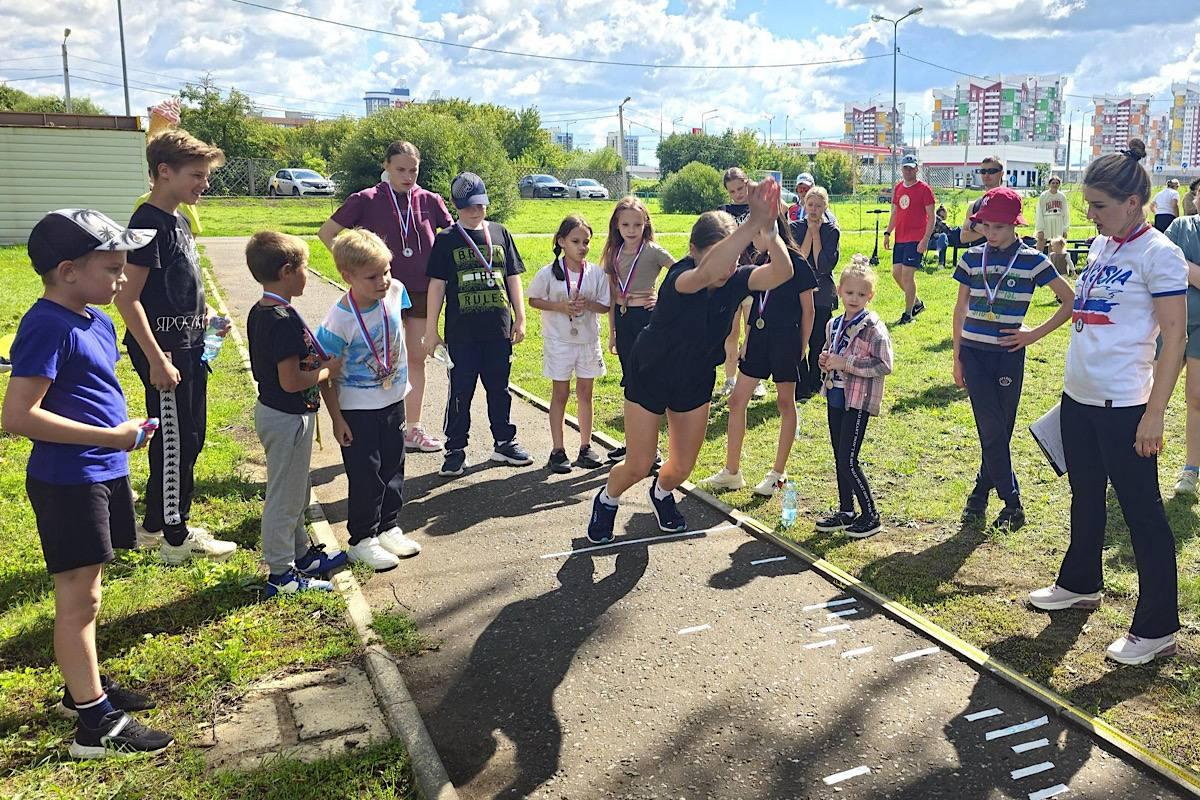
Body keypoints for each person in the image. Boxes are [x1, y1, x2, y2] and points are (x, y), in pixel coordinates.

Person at [4, 209, 173, 757]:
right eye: (113, 268)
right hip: (70, 480)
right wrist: (109, 438)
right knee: (79, 600)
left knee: (90, 597)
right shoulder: (47, 324)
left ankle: (82, 690)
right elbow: (18, 416)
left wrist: (122, 436)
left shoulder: (92, 317)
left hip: (101, 471)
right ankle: (94, 724)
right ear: (68, 270)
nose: (123, 279)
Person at [1028, 139, 1188, 666]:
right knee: (1085, 494)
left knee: (1143, 513)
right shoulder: (1100, 247)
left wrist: (1155, 412)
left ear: (1133, 202)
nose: (1089, 215)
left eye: (1099, 206)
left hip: (1126, 405)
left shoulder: (1159, 254)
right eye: (1089, 204)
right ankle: (1080, 582)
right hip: (1079, 396)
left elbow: (1174, 335)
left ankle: (1158, 625)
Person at [587, 179, 792, 544]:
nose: (728, 267)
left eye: (733, 258)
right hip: (651, 372)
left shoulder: (737, 278)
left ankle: (662, 493)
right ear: (694, 250)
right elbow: (707, 273)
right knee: (639, 463)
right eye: (719, 255)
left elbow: (782, 273)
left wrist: (769, 229)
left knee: (681, 468)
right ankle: (607, 499)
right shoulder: (682, 276)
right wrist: (748, 224)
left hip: (694, 378)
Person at [114, 129, 238, 564]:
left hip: (189, 346)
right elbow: (127, 298)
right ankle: (174, 536)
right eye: (196, 176)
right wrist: (155, 359)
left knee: (193, 436)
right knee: (175, 441)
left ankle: (154, 525)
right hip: (164, 354)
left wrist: (205, 322)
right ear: (163, 172)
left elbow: (178, 286)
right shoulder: (147, 224)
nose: (204, 184)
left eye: (206, 176)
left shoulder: (180, 220)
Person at [318, 141, 455, 454]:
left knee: (416, 358)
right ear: (387, 166)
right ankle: (375, 420)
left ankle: (413, 428)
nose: (407, 176)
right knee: (382, 356)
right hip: (380, 292)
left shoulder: (429, 200)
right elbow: (327, 233)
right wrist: (352, 267)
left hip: (420, 291)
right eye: (400, 170)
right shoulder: (367, 198)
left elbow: (451, 238)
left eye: (413, 170)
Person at [951, 187, 1076, 531]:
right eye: (986, 227)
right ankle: (1012, 504)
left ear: (1015, 226)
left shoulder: (1034, 260)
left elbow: (1070, 301)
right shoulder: (972, 257)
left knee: (999, 432)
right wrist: (957, 356)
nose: (991, 234)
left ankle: (980, 492)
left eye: (999, 228)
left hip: (1008, 356)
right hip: (974, 355)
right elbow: (960, 308)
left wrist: (1032, 334)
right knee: (990, 429)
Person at [245, 232, 348, 594]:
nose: (309, 274)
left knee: (297, 490)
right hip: (287, 415)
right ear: (287, 271)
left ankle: (303, 554)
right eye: (305, 267)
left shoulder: (267, 310)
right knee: (284, 498)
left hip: (287, 415)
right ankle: (281, 573)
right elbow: (290, 381)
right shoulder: (281, 319)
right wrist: (328, 371)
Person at [315, 229, 421, 571]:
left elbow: (396, 331)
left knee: (394, 466)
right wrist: (337, 419)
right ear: (347, 276)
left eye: (386, 271)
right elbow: (325, 375)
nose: (383, 281)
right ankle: (362, 538)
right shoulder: (338, 320)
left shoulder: (396, 292)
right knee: (366, 475)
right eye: (372, 276)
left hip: (393, 399)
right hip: (357, 409)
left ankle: (388, 526)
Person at [700, 205, 817, 496]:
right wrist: (748, 341)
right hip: (759, 339)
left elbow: (809, 311)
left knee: (784, 404)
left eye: (756, 234)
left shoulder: (797, 263)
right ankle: (732, 471)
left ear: (770, 231)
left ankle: (778, 473)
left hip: (786, 340)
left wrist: (801, 347)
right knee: (737, 401)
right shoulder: (761, 262)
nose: (752, 241)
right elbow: (755, 308)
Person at [425, 172, 533, 477]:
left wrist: (520, 318)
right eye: (469, 206)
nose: (476, 211)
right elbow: (437, 286)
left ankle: (504, 441)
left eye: (481, 204)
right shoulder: (446, 239)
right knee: (461, 391)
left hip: (498, 331)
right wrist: (431, 329)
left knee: (499, 388)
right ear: (457, 206)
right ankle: (455, 448)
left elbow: (513, 278)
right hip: (462, 334)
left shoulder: (500, 233)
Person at [813, 256, 893, 539]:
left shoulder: (873, 327)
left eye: (861, 294)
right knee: (838, 456)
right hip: (835, 395)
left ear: (870, 296)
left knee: (848, 458)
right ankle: (846, 511)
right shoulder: (833, 324)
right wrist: (825, 360)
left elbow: (885, 364)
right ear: (839, 291)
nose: (854, 298)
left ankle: (870, 514)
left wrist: (845, 364)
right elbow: (830, 352)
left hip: (858, 401)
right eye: (849, 293)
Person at [527, 216, 611, 473]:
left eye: (586, 241)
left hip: (587, 341)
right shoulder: (549, 273)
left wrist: (587, 304)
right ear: (562, 241)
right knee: (560, 394)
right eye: (575, 241)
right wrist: (560, 307)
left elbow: (605, 306)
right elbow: (533, 299)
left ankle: (586, 447)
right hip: (559, 342)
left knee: (586, 393)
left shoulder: (596, 273)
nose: (582, 246)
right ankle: (558, 449)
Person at [601, 196, 675, 462]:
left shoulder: (652, 250)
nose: (631, 230)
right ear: (617, 226)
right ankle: (633, 443)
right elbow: (611, 295)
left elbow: (679, 271)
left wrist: (662, 299)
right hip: (623, 320)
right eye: (625, 225)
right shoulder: (614, 253)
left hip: (646, 319)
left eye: (636, 224)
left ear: (645, 224)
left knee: (648, 383)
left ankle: (651, 450)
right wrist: (612, 332)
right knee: (631, 383)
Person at [715, 167, 766, 401]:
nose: (738, 194)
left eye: (741, 187)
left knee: (753, 328)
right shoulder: (723, 212)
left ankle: (755, 381)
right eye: (732, 190)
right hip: (731, 277)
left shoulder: (758, 205)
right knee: (730, 331)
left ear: (748, 183)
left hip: (755, 275)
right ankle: (729, 378)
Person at [792, 186, 841, 400]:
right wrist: (809, 235)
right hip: (799, 291)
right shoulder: (794, 228)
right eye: (810, 205)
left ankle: (815, 380)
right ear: (804, 204)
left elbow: (823, 266)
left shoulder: (831, 231)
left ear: (825, 207)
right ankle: (800, 383)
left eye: (819, 206)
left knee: (818, 339)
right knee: (798, 336)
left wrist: (816, 235)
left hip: (822, 291)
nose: (813, 209)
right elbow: (799, 261)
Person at [1164, 212, 1200, 495]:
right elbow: (1161, 264)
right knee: (1151, 391)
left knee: (1197, 397)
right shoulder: (1180, 225)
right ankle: (1137, 456)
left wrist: (1182, 263)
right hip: (1168, 321)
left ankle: (1191, 469)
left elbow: (1172, 262)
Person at [883, 153, 936, 325]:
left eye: (911, 168)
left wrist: (925, 239)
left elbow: (931, 216)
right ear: (902, 169)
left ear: (916, 169)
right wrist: (888, 232)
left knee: (907, 274)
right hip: (901, 238)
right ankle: (917, 303)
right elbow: (895, 212)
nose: (908, 171)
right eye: (905, 168)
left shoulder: (924, 189)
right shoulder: (899, 188)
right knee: (896, 273)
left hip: (916, 237)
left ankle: (908, 314)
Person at [958, 156, 1007, 249]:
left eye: (992, 171)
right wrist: (989, 231)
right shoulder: (974, 205)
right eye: (983, 171)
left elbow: (1006, 234)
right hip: (978, 258)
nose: (986, 175)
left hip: (1003, 257)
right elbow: (963, 237)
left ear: (1001, 173)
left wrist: (974, 226)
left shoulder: (1009, 201)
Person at [1035, 176, 1071, 252]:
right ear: (1049, 184)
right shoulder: (1044, 196)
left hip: (1058, 221)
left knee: (1055, 244)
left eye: (1057, 183)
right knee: (1041, 242)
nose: (1055, 185)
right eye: (1053, 183)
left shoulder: (1062, 196)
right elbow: (1039, 212)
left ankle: (1053, 261)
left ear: (1059, 184)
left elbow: (1066, 212)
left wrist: (1065, 229)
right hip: (1046, 220)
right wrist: (1040, 229)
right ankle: (1037, 259)